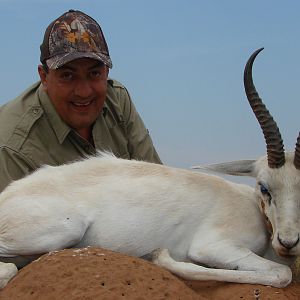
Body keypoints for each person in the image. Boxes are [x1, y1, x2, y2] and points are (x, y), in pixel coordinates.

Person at [0, 9, 162, 192]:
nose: (84, 92)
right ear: (44, 77)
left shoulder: (116, 98)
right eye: (68, 75)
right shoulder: (11, 148)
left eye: (94, 73)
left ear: (106, 72)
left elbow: (158, 187)